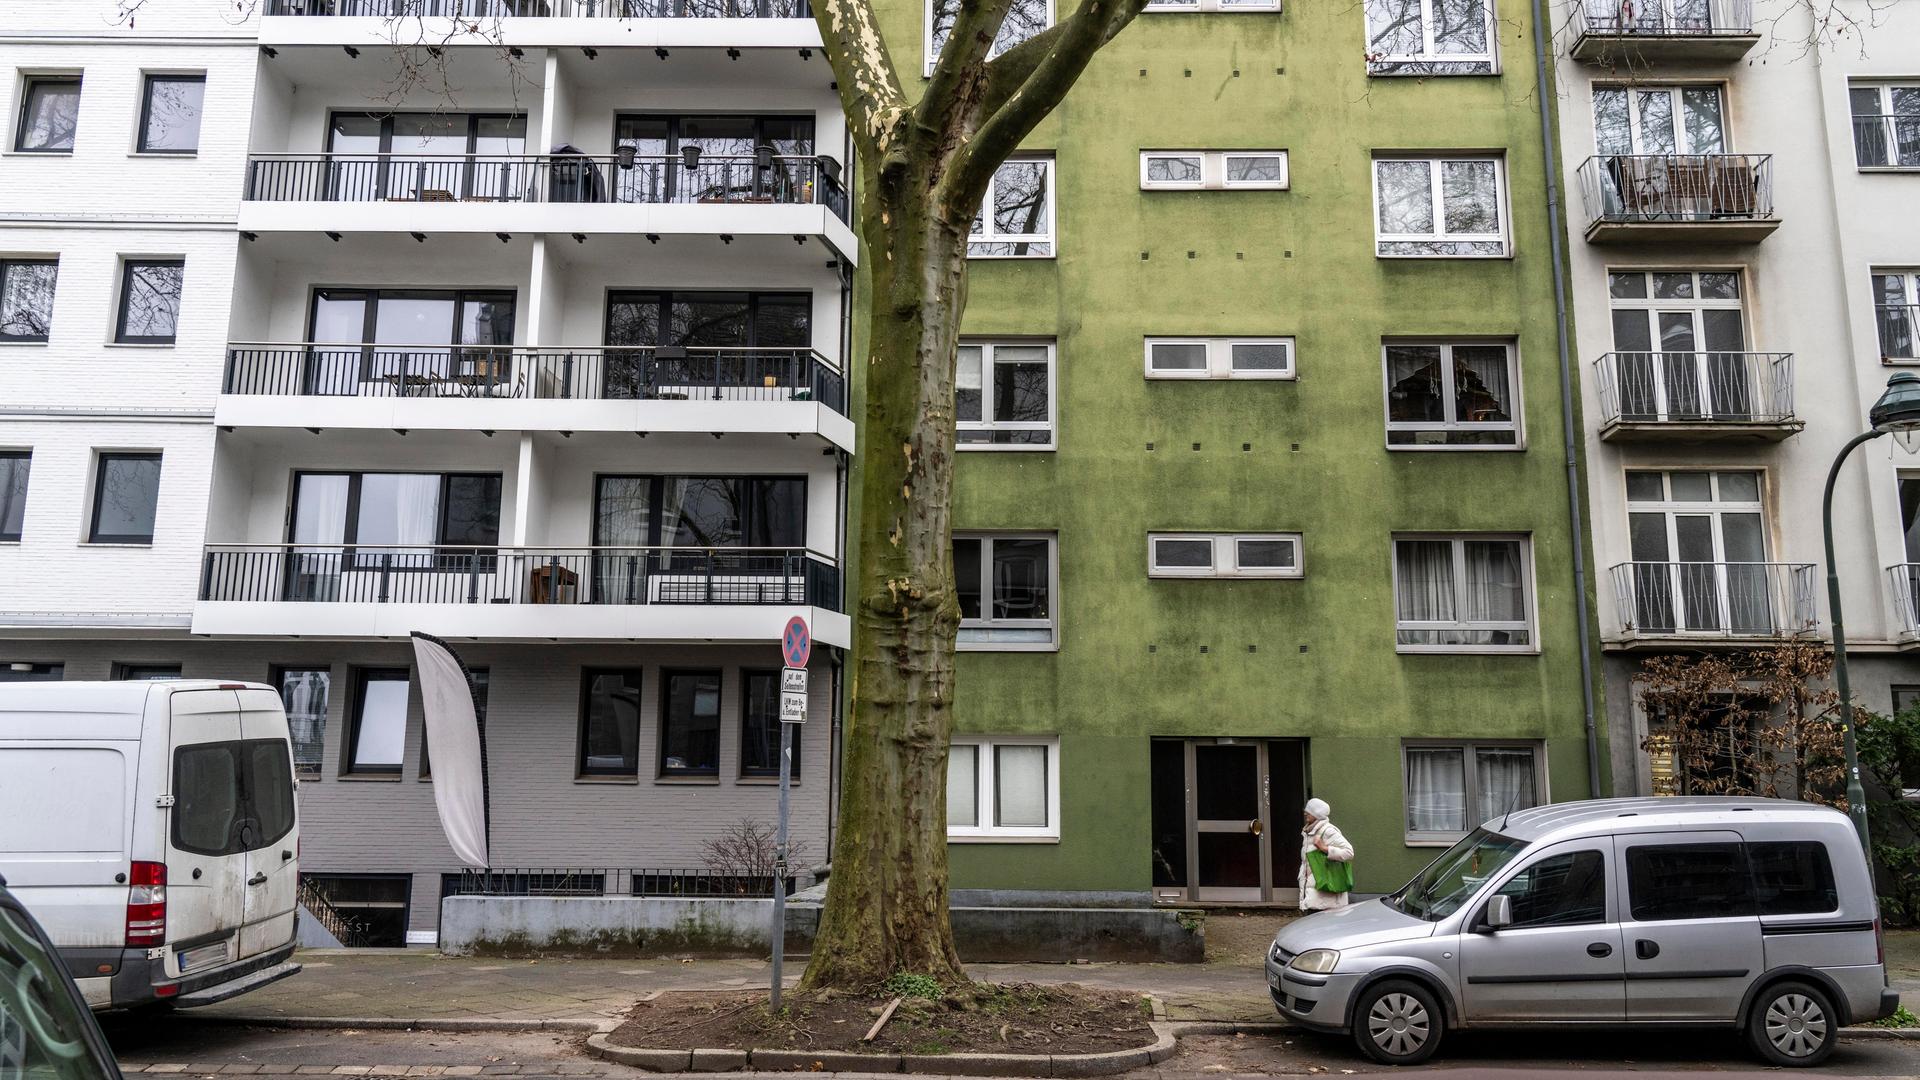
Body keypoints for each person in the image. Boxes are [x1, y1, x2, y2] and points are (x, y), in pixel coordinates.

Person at [1298, 797, 1355, 911]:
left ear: (1317, 813)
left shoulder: (1328, 831)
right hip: (1313, 894)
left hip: (1326, 897)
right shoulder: (1309, 832)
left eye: (1309, 811)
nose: (1305, 813)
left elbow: (1349, 852)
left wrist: (1325, 848)